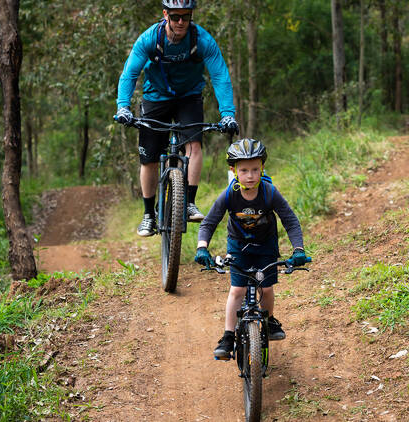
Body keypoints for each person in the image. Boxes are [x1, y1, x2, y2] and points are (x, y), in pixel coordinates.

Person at [114, 0, 239, 237]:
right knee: (149, 159)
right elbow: (130, 73)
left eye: (186, 16)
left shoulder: (202, 40)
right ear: (165, 15)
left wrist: (227, 114)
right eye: (175, 17)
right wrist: (123, 107)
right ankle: (149, 214)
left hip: (188, 97)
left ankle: (189, 202)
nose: (181, 22)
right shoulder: (150, 39)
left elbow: (220, 75)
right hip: (155, 98)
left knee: (193, 145)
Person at [194, 138, 310, 360]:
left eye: (255, 169)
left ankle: (270, 319)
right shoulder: (230, 194)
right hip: (238, 247)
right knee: (237, 291)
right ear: (234, 170)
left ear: (262, 168)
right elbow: (209, 222)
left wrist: (298, 250)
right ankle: (228, 336)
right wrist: (202, 248)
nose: (250, 175)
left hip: (266, 246)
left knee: (266, 289)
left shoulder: (269, 192)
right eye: (244, 170)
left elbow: (290, 220)